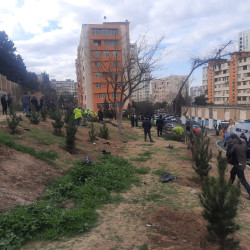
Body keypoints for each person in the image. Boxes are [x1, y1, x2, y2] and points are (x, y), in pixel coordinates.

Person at [226, 134, 250, 200]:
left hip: (239, 165)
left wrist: (228, 147)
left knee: (242, 180)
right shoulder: (243, 144)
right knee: (232, 173)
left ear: (233, 138)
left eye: (230, 138)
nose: (230, 140)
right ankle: (228, 187)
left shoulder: (235, 145)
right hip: (242, 163)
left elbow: (229, 154)